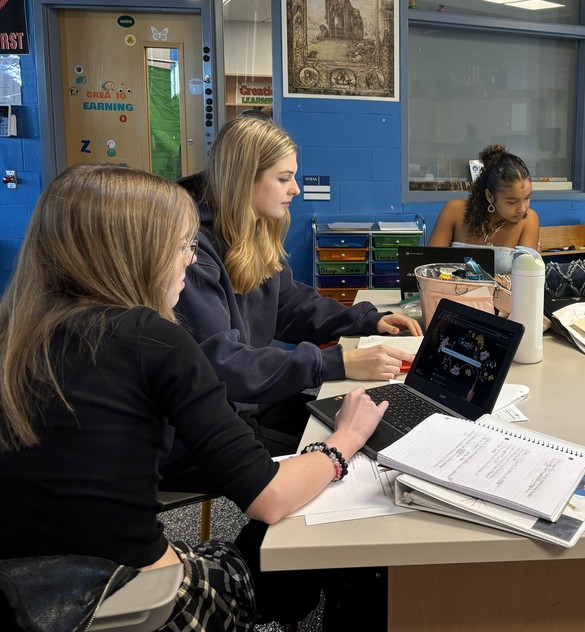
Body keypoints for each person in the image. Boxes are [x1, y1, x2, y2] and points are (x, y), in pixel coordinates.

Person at [0, 164, 390, 630]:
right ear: (137, 252)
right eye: (183, 245)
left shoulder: (14, 333)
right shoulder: (153, 340)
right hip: (131, 600)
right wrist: (345, 440)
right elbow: (270, 496)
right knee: (336, 517)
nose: (190, 260)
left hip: (24, 596)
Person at [169, 116, 421, 474]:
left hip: (244, 402)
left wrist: (366, 320)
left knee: (367, 423)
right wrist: (338, 363)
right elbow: (223, 364)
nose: (296, 189)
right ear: (243, 179)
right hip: (199, 430)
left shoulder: (250, 228)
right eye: (284, 179)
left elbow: (289, 305)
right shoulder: (194, 252)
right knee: (349, 458)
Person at [427, 144, 540, 274]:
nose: (522, 209)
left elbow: (524, 277)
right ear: (490, 196)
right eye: (512, 202)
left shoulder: (528, 220)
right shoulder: (453, 211)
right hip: (450, 288)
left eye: (527, 198)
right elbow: (430, 267)